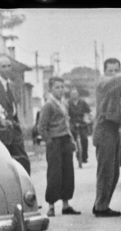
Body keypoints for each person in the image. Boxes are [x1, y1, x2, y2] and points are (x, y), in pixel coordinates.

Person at [36, 76, 79, 217]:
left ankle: (66, 205)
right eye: (57, 87)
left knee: (68, 173)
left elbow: (67, 124)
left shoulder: (64, 104)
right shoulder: (49, 105)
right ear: (50, 89)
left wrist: (71, 140)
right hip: (54, 142)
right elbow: (41, 127)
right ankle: (51, 205)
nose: (60, 90)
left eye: (62, 87)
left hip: (65, 140)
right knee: (54, 174)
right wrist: (49, 141)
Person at [0, 54, 30, 174]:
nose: (7, 69)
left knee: (23, 162)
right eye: (3, 66)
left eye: (9, 66)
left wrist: (18, 123)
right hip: (2, 131)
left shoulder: (12, 85)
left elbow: (14, 106)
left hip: (15, 129)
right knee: (4, 165)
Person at [92, 57, 121, 218]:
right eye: (110, 70)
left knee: (114, 172)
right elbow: (110, 83)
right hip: (104, 129)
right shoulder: (103, 83)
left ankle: (102, 203)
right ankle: (101, 206)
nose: (113, 74)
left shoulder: (118, 85)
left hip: (114, 128)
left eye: (116, 70)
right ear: (104, 72)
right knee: (106, 171)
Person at [67, 85, 91, 168]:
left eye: (75, 93)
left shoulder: (83, 102)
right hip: (72, 123)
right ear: (70, 95)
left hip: (82, 122)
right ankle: (75, 153)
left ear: (78, 94)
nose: (74, 95)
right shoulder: (68, 103)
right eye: (72, 94)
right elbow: (66, 114)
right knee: (71, 140)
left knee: (84, 138)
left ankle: (84, 156)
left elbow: (88, 112)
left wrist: (87, 119)